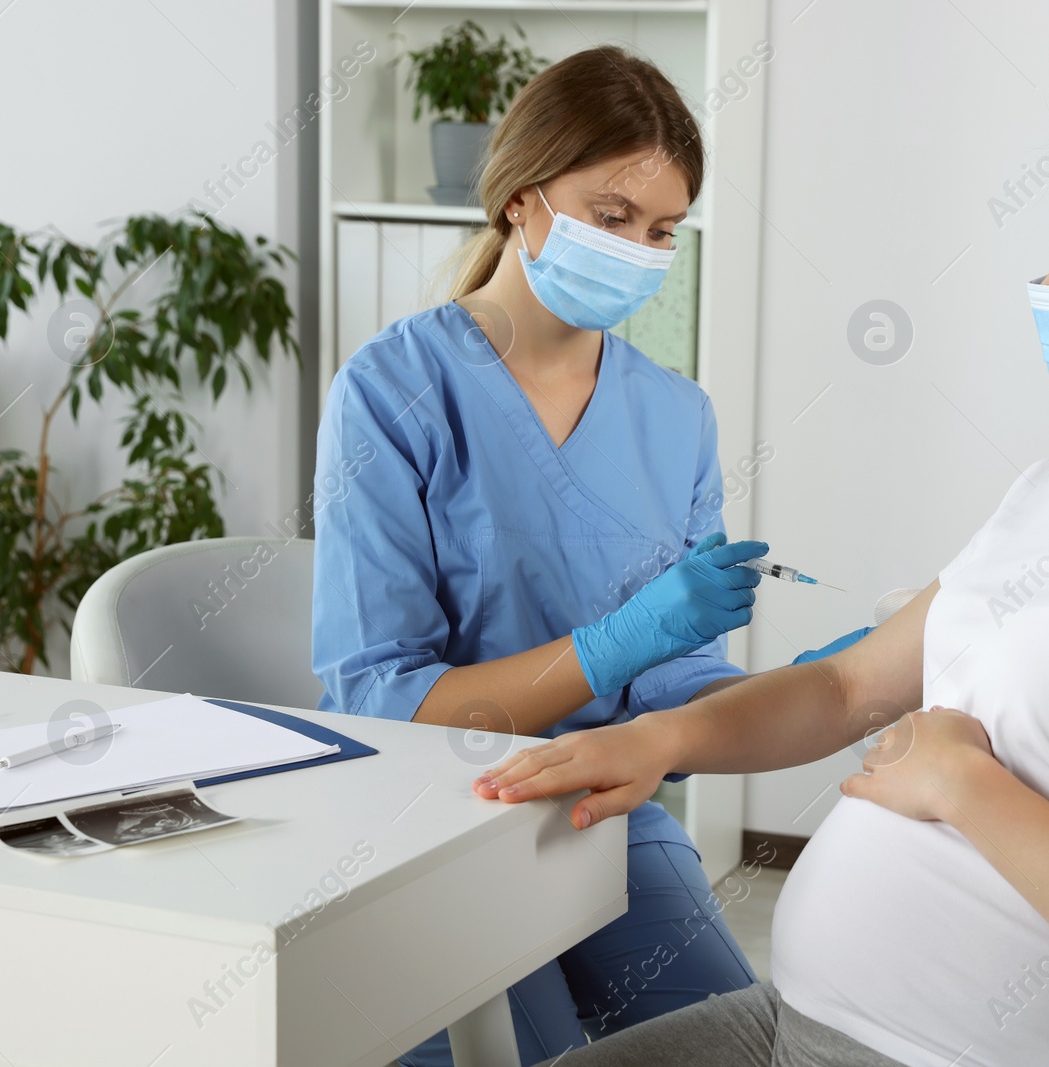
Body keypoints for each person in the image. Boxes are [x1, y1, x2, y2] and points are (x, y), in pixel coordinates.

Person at [473, 97, 1049, 1067]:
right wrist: (656, 739)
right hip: (790, 1020)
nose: (1045, 282)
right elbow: (849, 686)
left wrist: (960, 781)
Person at [311, 45, 860, 1067]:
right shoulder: (391, 393)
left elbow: (677, 681)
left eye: (663, 231)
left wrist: (824, 685)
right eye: (612, 216)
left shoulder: (675, 414)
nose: (643, 251)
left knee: (741, 1047)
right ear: (521, 200)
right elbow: (378, 702)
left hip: (605, 813)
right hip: (430, 829)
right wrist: (616, 642)